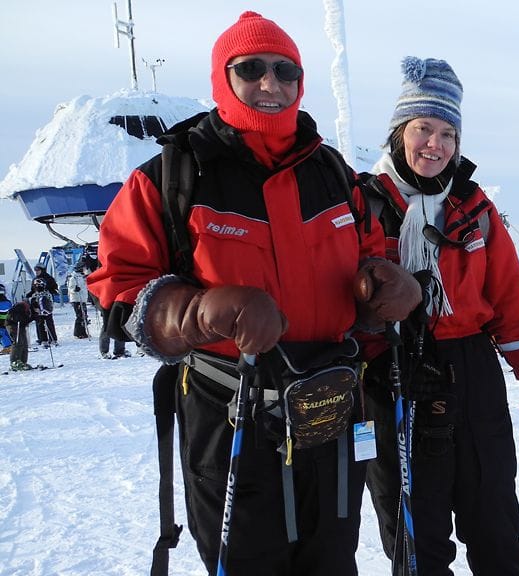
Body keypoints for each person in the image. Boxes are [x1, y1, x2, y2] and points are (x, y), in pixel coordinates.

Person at [87, 12, 421, 575]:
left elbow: (371, 250)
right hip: (231, 419)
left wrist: (385, 286)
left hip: (332, 412)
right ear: (224, 78)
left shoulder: (334, 172)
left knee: (332, 563)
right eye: (252, 69)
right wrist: (196, 313)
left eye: (285, 71)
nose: (271, 84)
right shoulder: (173, 173)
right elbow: (119, 287)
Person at [358, 56, 519, 576]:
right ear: (400, 132)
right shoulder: (364, 202)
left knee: (494, 519)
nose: (434, 145)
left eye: (447, 133)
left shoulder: (474, 207)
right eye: (424, 129)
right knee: (416, 532)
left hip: (471, 372)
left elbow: (507, 296)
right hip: (394, 371)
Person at [28, 278, 57, 347]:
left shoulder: (47, 293)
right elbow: (32, 304)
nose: (37, 286)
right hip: (39, 313)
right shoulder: (34, 294)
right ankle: (43, 340)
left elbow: (50, 303)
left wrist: (48, 310)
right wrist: (34, 308)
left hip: (47, 312)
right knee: (40, 326)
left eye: (39, 285)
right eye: (36, 285)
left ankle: (53, 339)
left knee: (50, 325)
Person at [5, 299, 32, 371]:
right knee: (18, 343)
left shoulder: (29, 308)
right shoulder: (19, 308)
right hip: (13, 325)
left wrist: (33, 318)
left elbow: (26, 320)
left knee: (24, 344)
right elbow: (18, 319)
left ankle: (23, 361)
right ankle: (15, 362)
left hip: (21, 326)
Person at [66, 264, 90, 339]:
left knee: (84, 315)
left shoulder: (82, 277)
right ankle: (77, 333)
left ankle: (83, 331)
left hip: (82, 299)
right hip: (76, 299)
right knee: (80, 315)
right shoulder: (74, 277)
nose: (84, 270)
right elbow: (70, 288)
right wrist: (75, 289)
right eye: (83, 268)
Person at [0, 284, 12, 354]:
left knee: (1, 333)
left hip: (1, 320)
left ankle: (7, 346)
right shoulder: (8, 301)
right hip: (8, 320)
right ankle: (10, 345)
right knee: (5, 332)